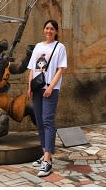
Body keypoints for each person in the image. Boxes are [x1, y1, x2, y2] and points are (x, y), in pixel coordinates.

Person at [27, 19, 68, 178]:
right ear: (44, 30)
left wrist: (51, 87)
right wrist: (29, 86)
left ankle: (48, 161)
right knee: (39, 121)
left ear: (56, 31)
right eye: (47, 28)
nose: (49, 31)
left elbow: (61, 69)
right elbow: (31, 68)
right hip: (37, 88)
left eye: (52, 29)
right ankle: (45, 154)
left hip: (50, 89)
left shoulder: (60, 47)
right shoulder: (38, 46)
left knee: (48, 121)